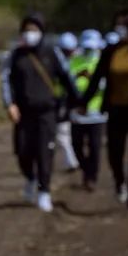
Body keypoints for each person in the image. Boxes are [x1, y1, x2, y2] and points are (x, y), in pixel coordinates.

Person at [1, 14, 80, 213]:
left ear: (42, 32)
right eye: (27, 30)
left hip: (47, 112)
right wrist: (9, 104)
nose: (30, 34)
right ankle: (30, 177)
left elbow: (66, 78)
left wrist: (77, 101)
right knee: (23, 151)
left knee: (45, 152)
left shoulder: (52, 53)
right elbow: (6, 81)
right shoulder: (15, 56)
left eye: (34, 30)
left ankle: (44, 191)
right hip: (23, 113)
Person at [80, 10, 128, 207]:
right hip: (116, 108)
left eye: (123, 25)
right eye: (117, 24)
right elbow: (97, 77)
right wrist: (83, 102)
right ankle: (120, 183)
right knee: (115, 151)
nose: (119, 28)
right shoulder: (110, 51)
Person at [70, 29, 107, 192]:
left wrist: (91, 78)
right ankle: (86, 170)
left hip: (96, 114)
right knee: (76, 146)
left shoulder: (103, 62)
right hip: (77, 113)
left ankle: (91, 177)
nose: (89, 50)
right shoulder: (74, 61)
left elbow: (106, 86)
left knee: (94, 147)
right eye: (86, 47)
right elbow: (67, 82)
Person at [55, 32, 82, 172]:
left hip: (65, 101)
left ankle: (71, 161)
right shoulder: (58, 60)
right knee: (62, 133)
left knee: (63, 132)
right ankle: (71, 160)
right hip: (59, 100)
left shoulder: (75, 60)